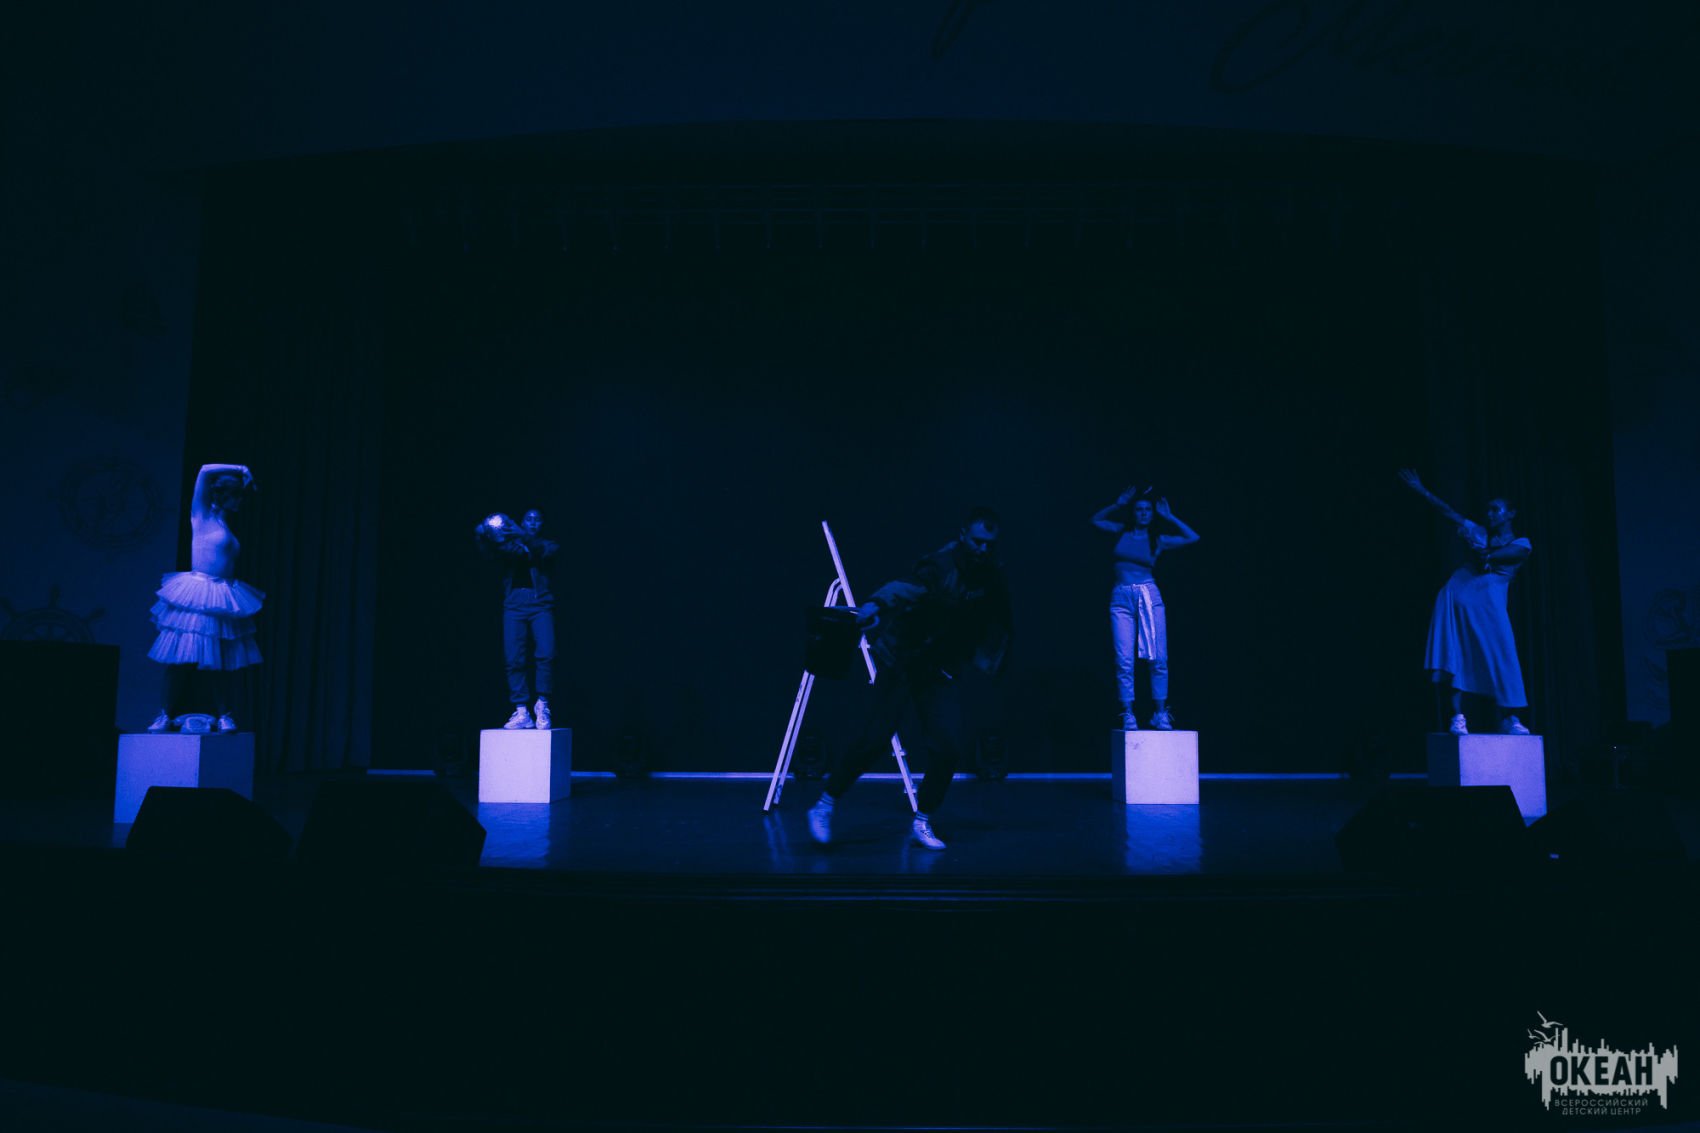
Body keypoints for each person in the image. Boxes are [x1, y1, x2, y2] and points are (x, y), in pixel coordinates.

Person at [806, 506, 1012, 851]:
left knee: (948, 746)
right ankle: (824, 804)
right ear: (964, 535)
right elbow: (903, 588)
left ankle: (923, 819)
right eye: (978, 541)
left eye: (990, 544)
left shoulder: (990, 574)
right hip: (902, 659)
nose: (983, 549)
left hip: (938, 668)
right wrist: (874, 605)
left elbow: (996, 618)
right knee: (875, 738)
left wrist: (987, 658)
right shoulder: (939, 566)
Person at [1398, 469, 1532, 735]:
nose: (1490, 514)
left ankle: (1510, 717)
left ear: (1511, 514)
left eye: (1496, 510)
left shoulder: (1522, 543)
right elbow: (1448, 512)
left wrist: (1485, 551)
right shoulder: (1479, 532)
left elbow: (1505, 554)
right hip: (1458, 597)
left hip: (1490, 608)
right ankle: (1458, 717)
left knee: (1502, 656)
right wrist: (1421, 490)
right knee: (1457, 655)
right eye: (1488, 510)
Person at [146, 463, 263, 734]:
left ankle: (224, 715)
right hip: (198, 592)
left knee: (219, 658)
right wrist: (242, 468)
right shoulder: (201, 516)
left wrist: (244, 481)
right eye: (237, 496)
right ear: (224, 495)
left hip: (221, 593)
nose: (240, 502)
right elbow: (204, 471)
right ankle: (164, 715)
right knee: (179, 659)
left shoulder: (224, 524)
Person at [1090, 486, 1200, 730]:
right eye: (1139, 509)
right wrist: (1118, 504)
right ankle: (1128, 712)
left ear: (1152, 513)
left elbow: (1193, 537)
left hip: (1148, 594)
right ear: (1133, 512)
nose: (1143, 513)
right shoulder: (1121, 531)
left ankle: (1160, 713)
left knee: (1158, 657)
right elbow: (1095, 520)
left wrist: (1170, 517)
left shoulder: (1157, 539)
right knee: (1124, 659)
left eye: (1147, 510)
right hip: (1121, 597)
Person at [475, 508, 558, 729]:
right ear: (522, 521)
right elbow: (490, 553)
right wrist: (482, 535)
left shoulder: (548, 545)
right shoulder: (510, 547)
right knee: (514, 658)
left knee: (546, 653)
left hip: (540, 604)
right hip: (514, 605)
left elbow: (542, 551)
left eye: (537, 519)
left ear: (542, 524)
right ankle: (522, 711)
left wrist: (521, 532)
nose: (533, 522)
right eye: (528, 519)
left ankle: (542, 705)